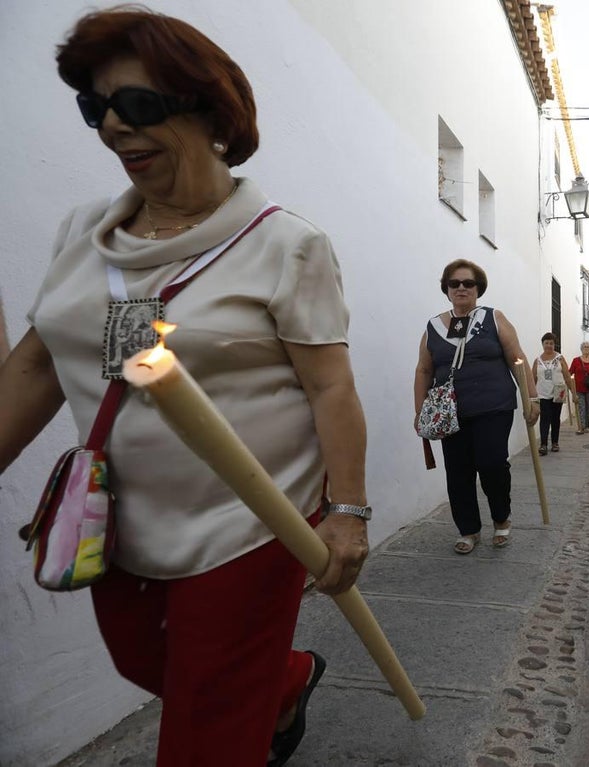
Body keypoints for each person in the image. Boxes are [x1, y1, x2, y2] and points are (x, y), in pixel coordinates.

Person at [0, 8, 370, 765]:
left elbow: (331, 386)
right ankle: (284, 679)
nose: (111, 129)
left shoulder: (286, 245)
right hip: (117, 518)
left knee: (205, 730)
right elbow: (38, 364)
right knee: (147, 665)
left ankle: (253, 693)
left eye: (135, 105)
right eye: (93, 108)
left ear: (209, 110)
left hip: (250, 524)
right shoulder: (82, 232)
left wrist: (347, 512)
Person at [414, 259, 538, 555]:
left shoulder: (494, 318)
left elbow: (516, 357)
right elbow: (423, 371)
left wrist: (531, 398)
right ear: (446, 289)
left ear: (478, 288)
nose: (461, 288)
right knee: (458, 472)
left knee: (492, 463)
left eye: (467, 283)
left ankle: (501, 517)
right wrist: (419, 412)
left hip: (494, 406)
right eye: (454, 283)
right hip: (450, 413)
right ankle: (468, 529)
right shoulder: (433, 327)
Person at [532, 332, 574, 455]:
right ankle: (543, 444)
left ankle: (555, 442)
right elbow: (533, 378)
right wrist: (531, 395)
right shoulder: (537, 361)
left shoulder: (560, 358)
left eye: (551, 343)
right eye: (546, 343)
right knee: (545, 418)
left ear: (554, 344)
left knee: (555, 418)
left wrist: (573, 393)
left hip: (558, 392)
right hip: (543, 393)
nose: (549, 345)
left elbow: (567, 376)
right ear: (542, 344)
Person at [569, 341, 589, 435]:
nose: (586, 348)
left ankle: (587, 425)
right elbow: (570, 372)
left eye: (588, 347)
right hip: (579, 388)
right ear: (581, 349)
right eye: (584, 347)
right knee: (581, 407)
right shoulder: (576, 360)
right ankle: (582, 427)